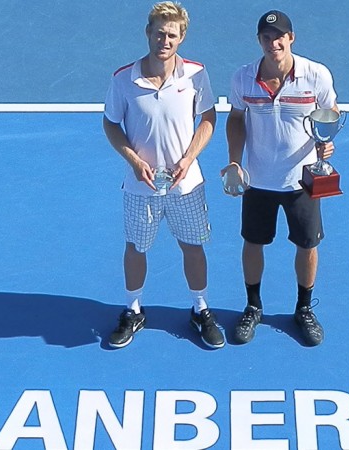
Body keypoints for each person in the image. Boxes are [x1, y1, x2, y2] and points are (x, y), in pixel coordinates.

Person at [103, 1, 224, 349]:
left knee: (193, 246)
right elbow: (110, 124)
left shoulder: (196, 75)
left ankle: (200, 309)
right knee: (136, 247)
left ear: (181, 37)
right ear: (148, 33)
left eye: (171, 34)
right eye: (159, 33)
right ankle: (133, 309)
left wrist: (189, 158)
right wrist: (133, 160)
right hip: (139, 185)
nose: (164, 40)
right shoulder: (123, 79)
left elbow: (208, 118)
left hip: (186, 184)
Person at [222, 10, 339, 346]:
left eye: (279, 37)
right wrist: (234, 161)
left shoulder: (316, 75)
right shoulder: (243, 78)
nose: (273, 43)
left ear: (291, 38)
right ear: (259, 40)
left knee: (307, 244)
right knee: (253, 242)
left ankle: (303, 309)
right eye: (266, 38)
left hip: (302, 180)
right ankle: (253, 306)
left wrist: (325, 142)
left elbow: (329, 114)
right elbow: (235, 119)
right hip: (258, 180)